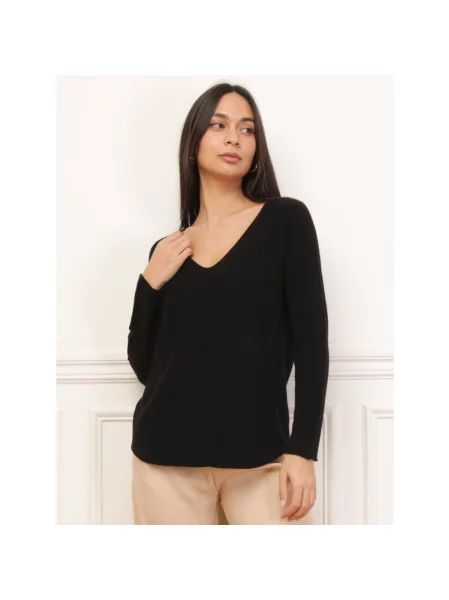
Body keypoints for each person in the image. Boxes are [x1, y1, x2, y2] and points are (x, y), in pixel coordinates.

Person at [127, 82, 330, 525]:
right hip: (165, 461)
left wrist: (302, 451)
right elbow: (147, 367)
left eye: (246, 129)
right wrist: (149, 283)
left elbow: (312, 344)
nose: (234, 138)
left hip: (263, 461)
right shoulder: (168, 249)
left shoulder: (286, 221)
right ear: (193, 142)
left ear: (257, 150)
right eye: (218, 126)